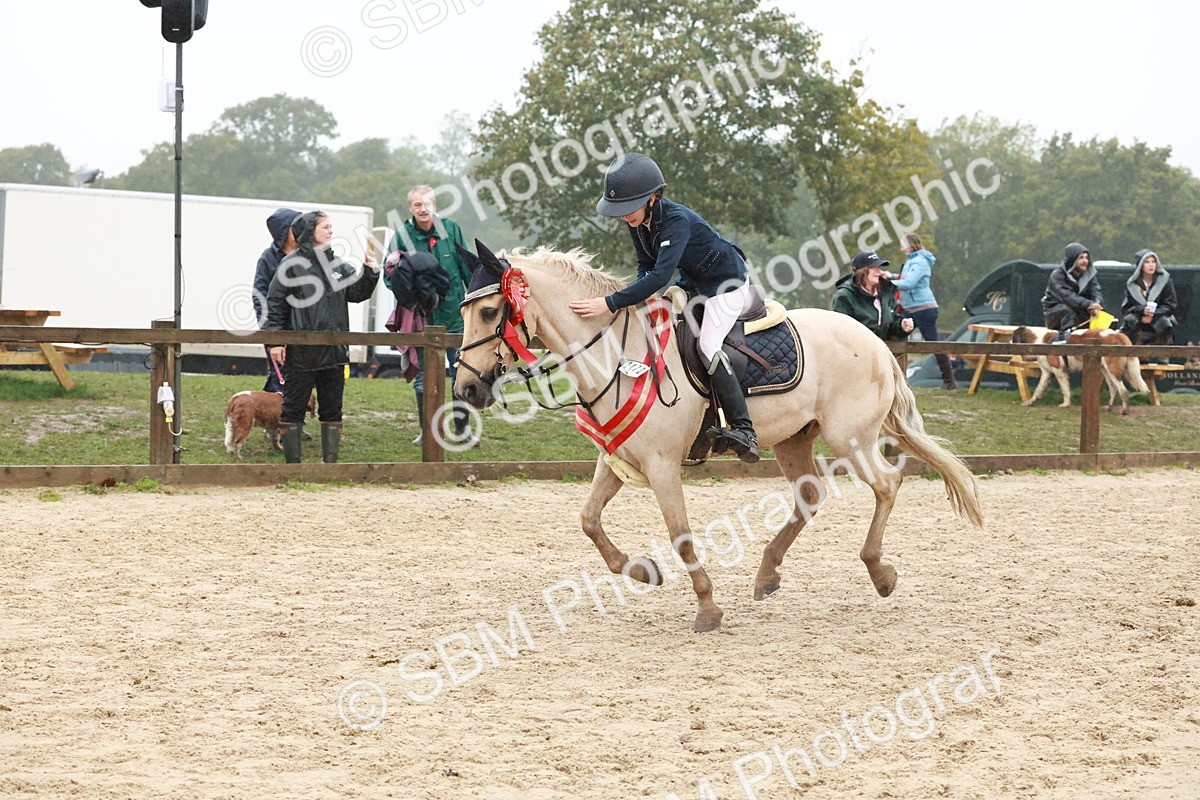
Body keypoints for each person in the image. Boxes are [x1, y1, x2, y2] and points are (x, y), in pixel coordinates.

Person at [569, 153, 759, 463]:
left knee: (709, 345)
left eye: (627, 208)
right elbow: (646, 266)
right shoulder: (639, 222)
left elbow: (660, 274)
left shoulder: (676, 221)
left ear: (653, 198)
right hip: (695, 284)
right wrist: (637, 297)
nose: (622, 216)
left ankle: (743, 428)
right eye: (619, 210)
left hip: (726, 283)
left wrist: (610, 302)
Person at [264, 211, 379, 463]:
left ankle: (330, 467)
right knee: (293, 408)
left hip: (335, 353)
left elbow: (358, 293)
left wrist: (369, 270)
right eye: (325, 226)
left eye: (331, 226)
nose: (330, 230)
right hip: (301, 353)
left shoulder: (338, 265)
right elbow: (274, 303)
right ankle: (293, 467)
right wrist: (275, 341)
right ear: (309, 231)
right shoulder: (291, 265)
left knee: (332, 408)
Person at [385, 185, 475, 446]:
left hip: (455, 317)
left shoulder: (452, 229)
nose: (423, 209)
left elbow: (467, 267)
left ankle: (462, 429)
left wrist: (476, 301)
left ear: (435, 205)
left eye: (427, 204)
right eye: (417, 205)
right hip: (420, 319)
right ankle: (428, 430)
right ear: (410, 208)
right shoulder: (402, 235)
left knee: (462, 373)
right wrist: (411, 299)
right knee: (424, 377)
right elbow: (389, 274)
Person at [885, 233, 955, 388]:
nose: (901, 247)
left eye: (903, 243)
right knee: (896, 334)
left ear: (911, 244)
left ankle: (949, 380)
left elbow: (909, 282)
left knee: (932, 343)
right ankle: (895, 378)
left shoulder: (920, 261)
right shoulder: (913, 261)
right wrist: (891, 276)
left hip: (923, 309)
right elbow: (906, 277)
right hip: (912, 308)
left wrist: (889, 283)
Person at [253, 208, 301, 393]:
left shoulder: (307, 255)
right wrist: (272, 337)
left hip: (302, 330)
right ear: (285, 231)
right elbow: (259, 296)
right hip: (277, 330)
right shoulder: (268, 259)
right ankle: (278, 418)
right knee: (279, 377)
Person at [833, 251, 915, 341]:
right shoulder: (844, 296)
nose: (879, 271)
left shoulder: (886, 293)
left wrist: (901, 326)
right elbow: (841, 331)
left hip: (881, 351)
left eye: (879, 267)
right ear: (861, 271)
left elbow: (890, 325)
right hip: (855, 351)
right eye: (873, 267)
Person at [1120, 249, 1177, 363]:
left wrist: (1154, 313)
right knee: (1131, 320)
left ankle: (1163, 354)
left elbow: (1170, 305)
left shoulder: (1165, 282)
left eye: (1153, 261)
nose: (1151, 265)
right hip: (1139, 316)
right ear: (1141, 265)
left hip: (1159, 316)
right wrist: (1142, 310)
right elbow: (1127, 308)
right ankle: (1139, 353)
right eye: (1147, 262)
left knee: (1166, 323)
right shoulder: (1132, 284)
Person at [1042, 242, 1102, 340]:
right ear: (1072, 260)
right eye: (1081, 258)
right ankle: (1064, 342)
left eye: (1087, 258)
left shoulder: (1089, 275)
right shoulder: (1057, 275)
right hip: (1055, 312)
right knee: (1068, 311)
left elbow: (1096, 291)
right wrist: (1089, 304)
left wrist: (1097, 304)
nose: (1085, 261)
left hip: (1080, 309)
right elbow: (1067, 296)